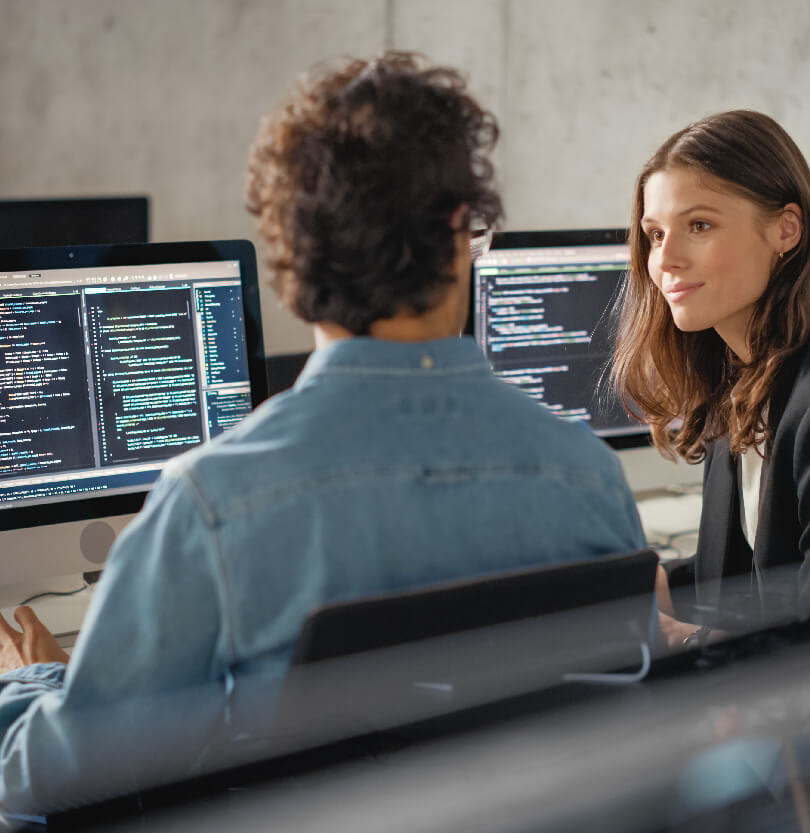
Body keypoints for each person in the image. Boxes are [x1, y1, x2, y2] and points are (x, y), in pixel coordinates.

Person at [0, 52, 645, 815]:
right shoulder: (588, 475)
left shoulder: (213, 504)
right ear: (458, 234)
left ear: (290, 259)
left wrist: (32, 681)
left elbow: (62, 774)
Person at [611, 109, 810, 648]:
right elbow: (742, 580)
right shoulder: (746, 372)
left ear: (785, 229)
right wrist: (637, 587)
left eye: (698, 225)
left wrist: (690, 640)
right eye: (654, 234)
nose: (666, 259)